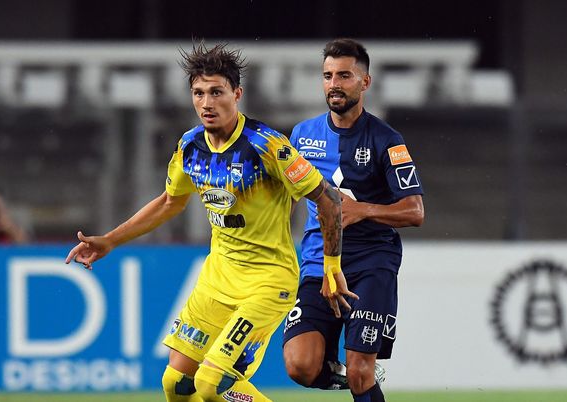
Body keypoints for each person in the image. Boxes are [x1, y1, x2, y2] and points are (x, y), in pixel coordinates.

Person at [65, 42, 356, 402]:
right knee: (177, 385)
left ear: (236, 94)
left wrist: (331, 265)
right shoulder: (189, 146)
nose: (206, 103)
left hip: (266, 282)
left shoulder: (267, 146)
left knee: (211, 383)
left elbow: (327, 199)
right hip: (217, 279)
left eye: (216, 92)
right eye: (198, 93)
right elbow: (170, 202)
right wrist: (110, 240)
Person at [282, 38, 425, 402]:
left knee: (361, 372)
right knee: (299, 366)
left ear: (365, 82)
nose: (334, 84)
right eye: (328, 76)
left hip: (371, 263)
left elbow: (415, 211)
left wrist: (364, 210)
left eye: (344, 75)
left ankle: (362, 375)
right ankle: (342, 370)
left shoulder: (387, 140)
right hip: (319, 264)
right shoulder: (301, 135)